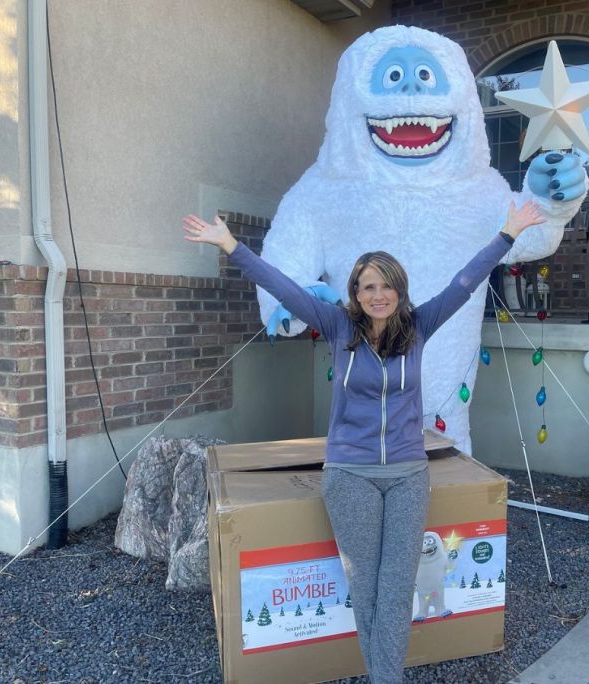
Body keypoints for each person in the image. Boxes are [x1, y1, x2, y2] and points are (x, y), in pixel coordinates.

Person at [183, 199, 545, 683]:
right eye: (367, 286)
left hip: (408, 476)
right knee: (367, 585)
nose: (378, 295)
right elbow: (284, 289)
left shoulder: (419, 326)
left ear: (399, 288)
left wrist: (506, 235)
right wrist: (231, 247)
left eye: (386, 285)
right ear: (355, 292)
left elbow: (465, 281)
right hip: (350, 475)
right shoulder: (337, 326)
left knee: (396, 589)